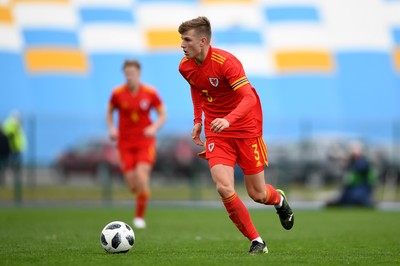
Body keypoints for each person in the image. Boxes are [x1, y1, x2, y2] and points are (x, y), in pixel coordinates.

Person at [178, 16, 294, 255]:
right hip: (217, 133)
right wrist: (198, 121)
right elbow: (197, 88)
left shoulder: (226, 62)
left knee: (258, 194)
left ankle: (279, 200)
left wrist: (229, 119)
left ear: (202, 41)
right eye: (181, 40)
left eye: (187, 40)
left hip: (245, 129)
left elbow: (249, 97)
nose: (182, 45)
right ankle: (257, 241)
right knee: (223, 187)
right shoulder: (185, 66)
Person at [107, 60, 167, 229]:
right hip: (124, 143)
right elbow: (110, 112)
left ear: (138, 74)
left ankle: (139, 217)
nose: (129, 76)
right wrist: (112, 128)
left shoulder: (150, 92)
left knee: (142, 176)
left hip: (144, 141)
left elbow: (162, 115)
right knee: (132, 184)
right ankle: (141, 194)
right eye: (127, 73)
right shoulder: (117, 93)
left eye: (132, 73)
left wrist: (154, 127)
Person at [326, 141, 377, 207]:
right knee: (344, 199)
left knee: (357, 199)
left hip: (362, 188)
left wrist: (348, 161)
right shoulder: (351, 162)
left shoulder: (363, 161)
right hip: (350, 188)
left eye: (355, 149)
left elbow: (360, 168)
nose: (352, 151)